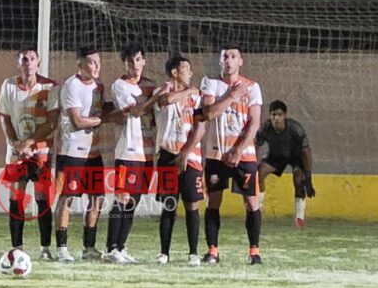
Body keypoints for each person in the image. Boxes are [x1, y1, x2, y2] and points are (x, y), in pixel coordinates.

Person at [199, 45, 264, 265]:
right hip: (216, 156)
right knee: (213, 201)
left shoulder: (252, 87)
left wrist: (237, 149)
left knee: (251, 202)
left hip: (244, 156)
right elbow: (208, 113)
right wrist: (230, 96)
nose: (228, 60)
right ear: (220, 61)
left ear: (240, 61)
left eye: (233, 56)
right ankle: (213, 251)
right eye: (224, 56)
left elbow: (254, 123)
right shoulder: (210, 83)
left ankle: (254, 252)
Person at [0, 45, 59, 260]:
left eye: (32, 59)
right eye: (24, 59)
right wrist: (15, 143)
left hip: (41, 151)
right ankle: (17, 247)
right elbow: (3, 117)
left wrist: (30, 142)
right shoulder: (9, 85)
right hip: (16, 153)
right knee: (16, 196)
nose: (28, 63)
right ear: (18, 63)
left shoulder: (49, 87)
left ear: (38, 63)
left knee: (42, 198)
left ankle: (45, 247)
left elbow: (52, 122)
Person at [53, 46, 115, 263]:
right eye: (91, 62)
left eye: (98, 62)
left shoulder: (99, 86)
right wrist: (103, 120)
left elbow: (102, 109)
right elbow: (78, 121)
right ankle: (61, 247)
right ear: (80, 64)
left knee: (97, 197)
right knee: (67, 197)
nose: (96, 66)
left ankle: (89, 247)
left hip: (93, 151)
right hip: (72, 151)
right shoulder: (72, 85)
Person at [103, 42, 158, 265]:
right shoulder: (120, 85)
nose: (134, 64)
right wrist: (156, 98)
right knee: (122, 197)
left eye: (137, 59)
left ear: (144, 60)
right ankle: (110, 247)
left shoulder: (150, 86)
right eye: (130, 61)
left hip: (147, 152)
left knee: (133, 201)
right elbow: (135, 111)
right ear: (124, 64)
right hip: (128, 151)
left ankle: (121, 246)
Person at [153, 55, 206, 266]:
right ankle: (164, 252)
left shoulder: (196, 98)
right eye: (186, 69)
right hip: (167, 155)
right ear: (175, 72)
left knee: (192, 204)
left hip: (191, 156)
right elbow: (165, 101)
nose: (191, 73)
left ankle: (193, 253)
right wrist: (188, 91)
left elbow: (200, 127)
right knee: (169, 205)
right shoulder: (163, 92)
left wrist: (185, 152)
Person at [255, 100, 315, 228]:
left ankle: (300, 217)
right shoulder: (265, 128)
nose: (276, 118)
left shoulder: (296, 129)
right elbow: (256, 144)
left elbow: (306, 152)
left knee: (299, 180)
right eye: (273, 115)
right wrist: (253, 163)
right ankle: (258, 209)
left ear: (285, 115)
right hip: (276, 156)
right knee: (258, 175)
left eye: (279, 115)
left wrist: (308, 178)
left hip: (295, 156)